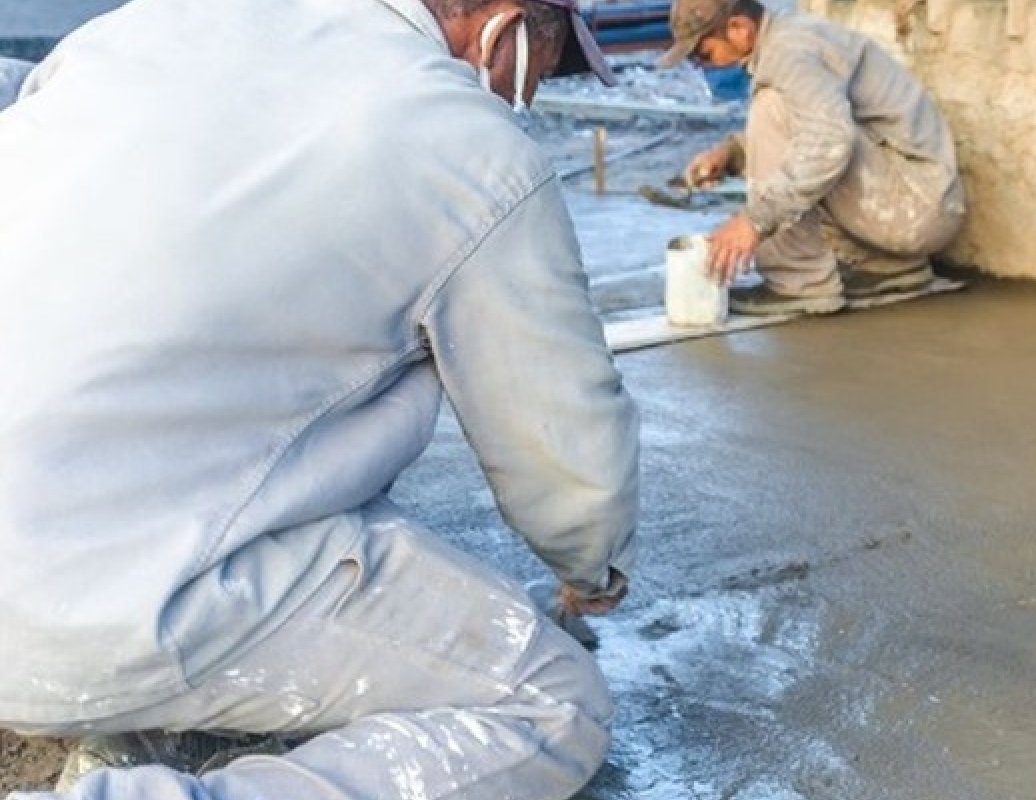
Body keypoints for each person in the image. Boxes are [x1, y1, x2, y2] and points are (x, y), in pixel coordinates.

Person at [0, 0, 638, 799]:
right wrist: (594, 566)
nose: (535, 98)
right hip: (67, 603)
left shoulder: (155, 23)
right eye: (544, 68)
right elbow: (568, 453)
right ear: (504, 33)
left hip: (38, 525)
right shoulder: (468, 144)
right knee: (554, 702)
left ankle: (128, 719)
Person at [660, 0, 966, 315]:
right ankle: (889, 267)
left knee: (771, 108)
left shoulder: (788, 52)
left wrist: (753, 220)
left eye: (704, 54)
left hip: (918, 208)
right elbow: (810, 127)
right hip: (918, 204)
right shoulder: (788, 37)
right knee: (785, 127)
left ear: (739, 28)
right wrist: (731, 152)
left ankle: (798, 283)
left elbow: (828, 142)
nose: (705, 66)